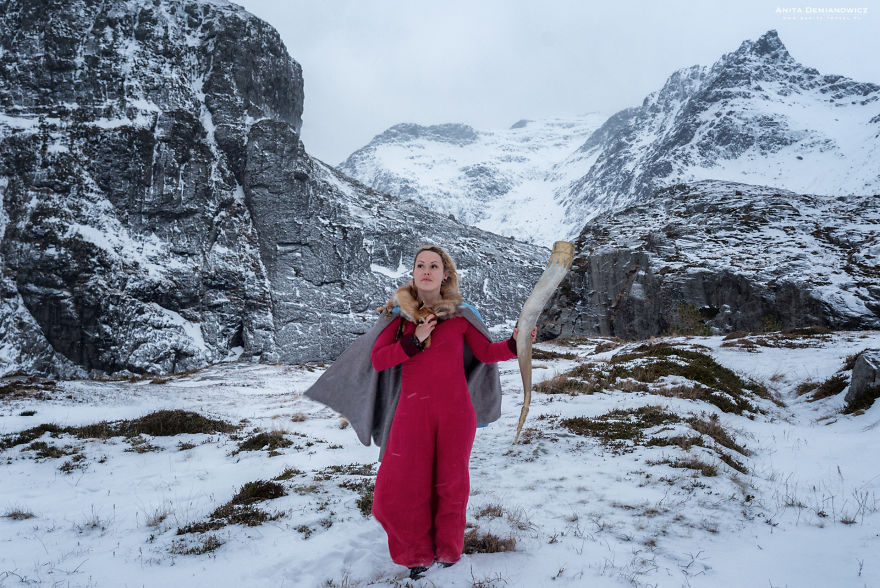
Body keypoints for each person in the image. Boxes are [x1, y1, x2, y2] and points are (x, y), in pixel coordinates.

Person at [305, 244, 533, 580]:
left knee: (451, 486)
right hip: (411, 415)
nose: (426, 270)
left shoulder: (461, 316)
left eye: (434, 266)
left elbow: (486, 353)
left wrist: (517, 343)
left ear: (445, 275)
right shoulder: (398, 317)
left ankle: (448, 552)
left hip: (456, 415)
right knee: (402, 487)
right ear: (413, 273)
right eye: (420, 265)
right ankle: (416, 555)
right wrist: (416, 338)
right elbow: (379, 360)